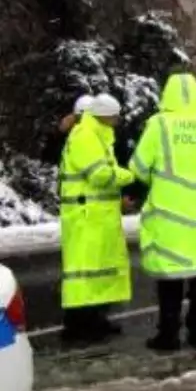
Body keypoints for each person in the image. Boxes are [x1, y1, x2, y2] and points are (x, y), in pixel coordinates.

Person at [130, 72, 196, 351]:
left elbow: (138, 168)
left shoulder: (159, 125)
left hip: (170, 217)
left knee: (171, 280)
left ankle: (169, 335)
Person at [58, 93, 134, 344]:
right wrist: (128, 176)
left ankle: (96, 320)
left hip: (96, 216)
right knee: (83, 275)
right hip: (84, 217)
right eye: (114, 117)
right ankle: (78, 325)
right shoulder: (85, 136)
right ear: (105, 116)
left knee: (99, 272)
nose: (117, 121)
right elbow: (99, 175)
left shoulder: (98, 136)